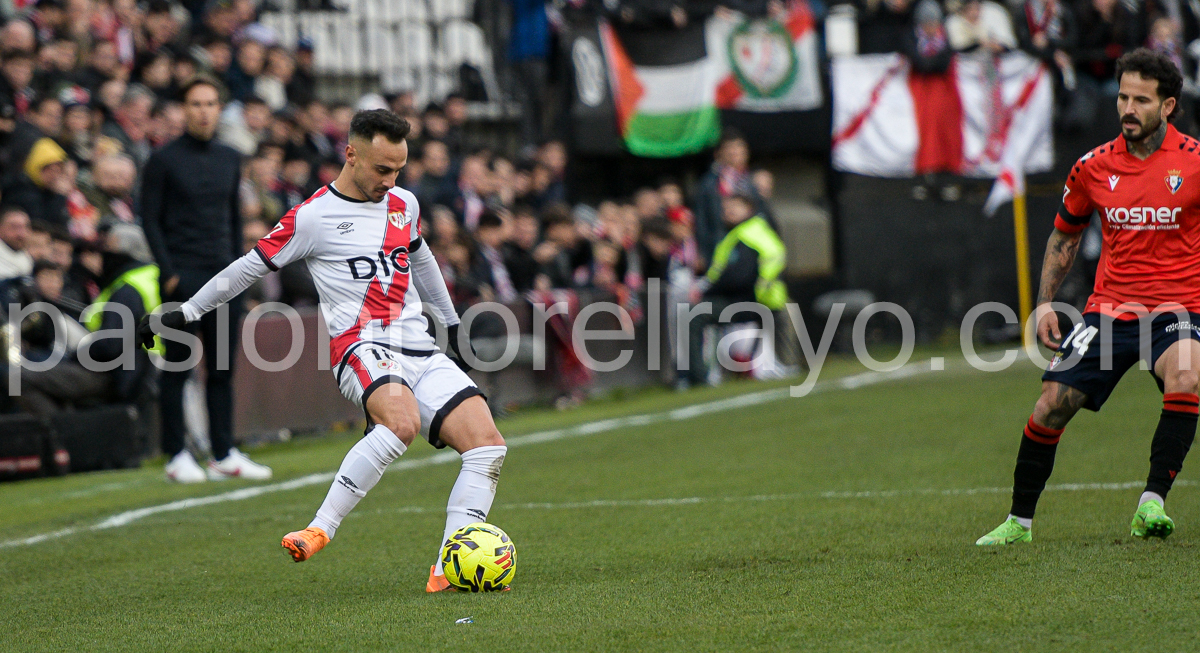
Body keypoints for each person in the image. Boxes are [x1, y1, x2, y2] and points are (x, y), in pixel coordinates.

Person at [137, 109, 509, 593]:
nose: (390, 180)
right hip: (361, 345)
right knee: (400, 424)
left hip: (419, 346)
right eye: (381, 169)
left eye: (398, 169)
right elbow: (246, 269)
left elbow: (423, 260)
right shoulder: (313, 217)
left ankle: (447, 568)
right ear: (350, 154)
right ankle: (320, 528)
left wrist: (454, 324)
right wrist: (186, 312)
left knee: (488, 446)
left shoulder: (404, 204)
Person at [977, 50, 1200, 546]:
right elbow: (1064, 237)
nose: (1127, 107)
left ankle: (1151, 502)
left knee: (1186, 373)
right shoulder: (1092, 167)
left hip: (1180, 307)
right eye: (1123, 96)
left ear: (1166, 106)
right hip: (1111, 309)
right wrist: (1044, 304)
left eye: (1140, 99)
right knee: (1050, 404)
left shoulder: (1195, 162)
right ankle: (1019, 522)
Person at [141, 75, 271, 484]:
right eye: (195, 103)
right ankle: (177, 454)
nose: (203, 111)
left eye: (211, 103)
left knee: (221, 369)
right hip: (182, 276)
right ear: (183, 110)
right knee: (177, 367)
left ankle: (222, 452)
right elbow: (150, 219)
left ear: (219, 109)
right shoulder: (162, 160)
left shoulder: (231, 157)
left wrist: (240, 269)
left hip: (223, 275)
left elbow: (233, 218)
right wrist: (169, 271)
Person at [685, 186, 788, 387]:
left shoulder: (746, 236)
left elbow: (738, 277)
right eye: (726, 208)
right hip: (764, 299)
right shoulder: (750, 232)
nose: (728, 212)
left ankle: (698, 378)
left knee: (693, 315)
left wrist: (706, 291)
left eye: (734, 207)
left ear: (748, 209)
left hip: (752, 301)